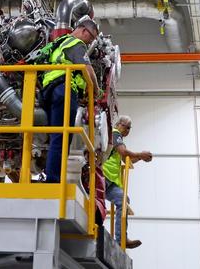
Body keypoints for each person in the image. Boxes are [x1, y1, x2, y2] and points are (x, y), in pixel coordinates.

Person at [40, 17, 99, 183]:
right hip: (64, 89)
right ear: (84, 30)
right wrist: (95, 89)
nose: (90, 43)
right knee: (62, 138)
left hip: (48, 90)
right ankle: (53, 180)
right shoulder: (76, 43)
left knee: (55, 137)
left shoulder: (59, 43)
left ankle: (50, 176)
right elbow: (87, 69)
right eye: (91, 38)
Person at [102, 115, 153, 249]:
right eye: (127, 127)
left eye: (130, 128)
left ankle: (121, 239)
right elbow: (123, 152)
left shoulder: (119, 140)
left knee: (123, 200)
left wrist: (141, 158)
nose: (128, 131)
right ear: (119, 124)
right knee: (97, 202)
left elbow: (127, 159)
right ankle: (96, 225)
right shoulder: (114, 133)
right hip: (104, 175)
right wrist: (140, 154)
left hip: (112, 180)